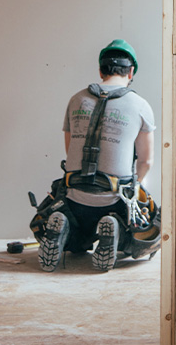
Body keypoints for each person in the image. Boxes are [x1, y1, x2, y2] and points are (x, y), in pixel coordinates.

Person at [37, 39, 157, 272]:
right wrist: (134, 190)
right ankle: (115, 227)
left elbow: (70, 150)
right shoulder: (140, 105)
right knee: (149, 228)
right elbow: (146, 161)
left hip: (74, 198)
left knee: (78, 240)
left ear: (101, 71)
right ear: (131, 72)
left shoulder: (76, 99)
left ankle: (67, 230)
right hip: (113, 198)